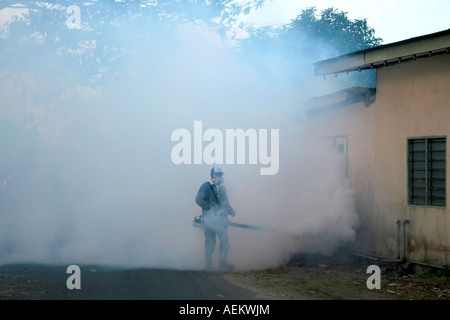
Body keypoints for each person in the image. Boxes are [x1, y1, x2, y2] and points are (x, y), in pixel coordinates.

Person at [195, 166, 236, 271]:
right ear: (212, 176)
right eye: (218, 175)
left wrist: (231, 211)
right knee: (210, 241)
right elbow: (198, 199)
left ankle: (223, 264)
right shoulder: (206, 186)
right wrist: (210, 208)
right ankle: (208, 265)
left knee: (225, 241)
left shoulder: (222, 188)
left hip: (221, 220)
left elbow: (226, 203)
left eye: (221, 175)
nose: (221, 177)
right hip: (209, 220)